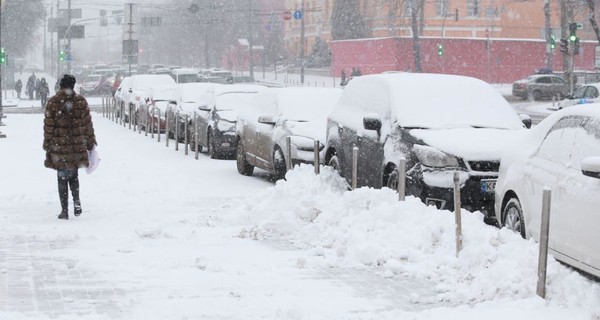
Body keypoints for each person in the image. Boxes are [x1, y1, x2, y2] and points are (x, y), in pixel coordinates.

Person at [43, 74, 97, 220]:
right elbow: (88, 124)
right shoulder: (80, 101)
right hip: (76, 146)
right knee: (73, 175)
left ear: (61, 85)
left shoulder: (53, 102)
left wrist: (47, 143)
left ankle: (64, 210)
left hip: (59, 147)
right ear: (73, 86)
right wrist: (91, 141)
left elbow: (48, 126)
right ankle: (77, 201)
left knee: (61, 177)